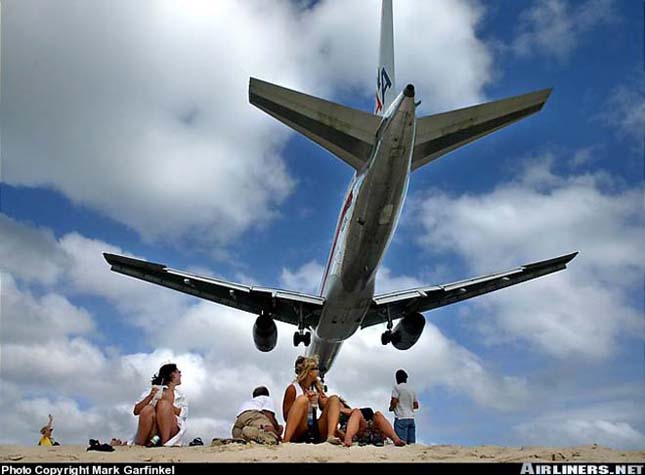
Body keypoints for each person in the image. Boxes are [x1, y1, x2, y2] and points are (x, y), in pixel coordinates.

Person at [282, 355, 342, 444]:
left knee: (334, 399)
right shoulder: (293, 389)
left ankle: (330, 436)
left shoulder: (316, 387)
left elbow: (324, 407)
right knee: (302, 400)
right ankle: (285, 441)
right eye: (316, 368)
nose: (318, 371)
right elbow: (286, 416)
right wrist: (306, 400)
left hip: (315, 427)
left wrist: (319, 398)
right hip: (300, 429)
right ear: (310, 372)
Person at [132, 363, 188, 446]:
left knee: (163, 404)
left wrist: (167, 403)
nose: (180, 374)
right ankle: (141, 443)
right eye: (178, 372)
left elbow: (183, 415)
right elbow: (136, 411)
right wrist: (150, 397)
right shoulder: (153, 390)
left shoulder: (181, 396)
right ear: (172, 374)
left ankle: (165, 442)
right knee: (148, 409)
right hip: (153, 430)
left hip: (171, 429)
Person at [336, 399, 405, 447]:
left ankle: (396, 439)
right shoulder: (337, 421)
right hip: (358, 434)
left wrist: (339, 409)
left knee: (378, 414)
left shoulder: (352, 412)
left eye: (338, 405)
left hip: (370, 430)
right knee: (356, 412)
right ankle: (348, 439)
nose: (336, 407)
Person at [389, 369, 418, 444]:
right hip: (411, 418)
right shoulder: (412, 389)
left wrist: (391, 408)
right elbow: (416, 405)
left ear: (397, 378)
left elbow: (394, 401)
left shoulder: (397, 387)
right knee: (411, 444)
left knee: (401, 443)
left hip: (401, 417)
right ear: (406, 378)